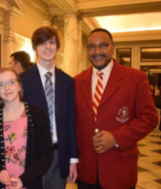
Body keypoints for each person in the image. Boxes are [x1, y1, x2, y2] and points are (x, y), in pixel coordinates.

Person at [74, 28, 158, 189]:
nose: (97, 51)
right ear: (87, 50)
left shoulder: (135, 78)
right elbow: (73, 121)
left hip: (119, 169)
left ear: (113, 47)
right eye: (92, 47)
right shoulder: (77, 81)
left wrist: (116, 137)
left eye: (103, 45)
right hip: (86, 170)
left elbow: (149, 118)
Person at [19, 26, 78, 189]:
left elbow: (71, 122)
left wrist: (73, 159)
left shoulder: (68, 81)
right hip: (32, 155)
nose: (47, 47)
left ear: (58, 46)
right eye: (42, 43)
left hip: (60, 155)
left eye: (51, 42)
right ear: (35, 48)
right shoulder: (21, 80)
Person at [0, 68, 53, 189]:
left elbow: (46, 155)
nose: (7, 88)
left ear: (19, 86)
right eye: (1, 85)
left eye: (11, 82)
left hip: (29, 184)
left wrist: (23, 180)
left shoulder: (37, 115)